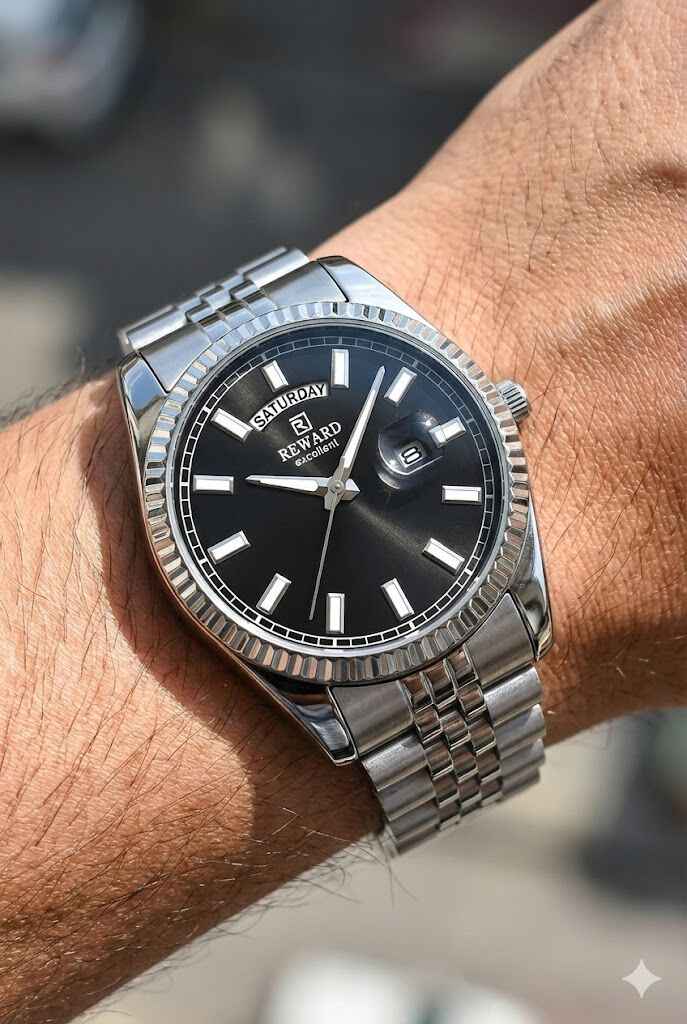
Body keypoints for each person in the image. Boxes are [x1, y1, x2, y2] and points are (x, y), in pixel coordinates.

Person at [0, 1, 684, 1021]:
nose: (336, 490)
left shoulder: (428, 420)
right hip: (323, 608)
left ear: (493, 406)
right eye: (325, 489)